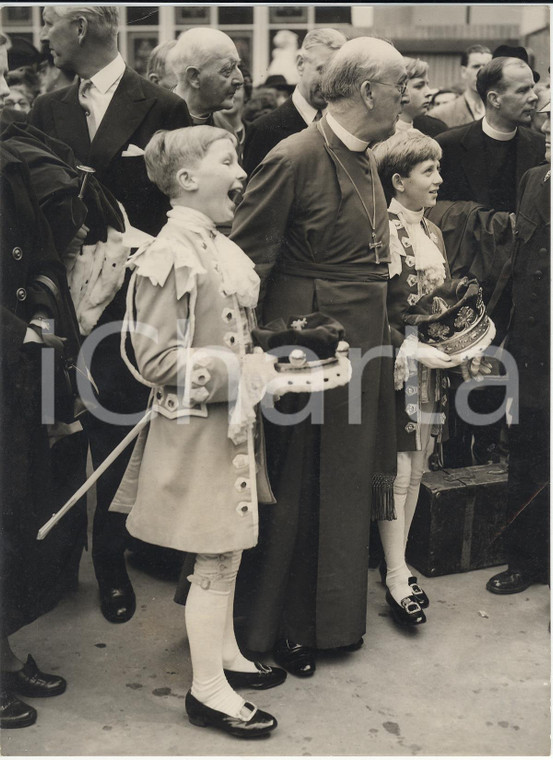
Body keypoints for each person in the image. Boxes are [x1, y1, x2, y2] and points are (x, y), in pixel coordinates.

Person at [231, 37, 405, 676]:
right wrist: (266, 353)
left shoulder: (364, 155)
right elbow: (246, 262)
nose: (405, 95)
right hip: (308, 347)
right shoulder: (295, 154)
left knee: (342, 488)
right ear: (365, 91)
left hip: (361, 342)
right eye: (398, 84)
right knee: (299, 491)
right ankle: (276, 629)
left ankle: (328, 623)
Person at [110, 126, 283, 737]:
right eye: (230, 161)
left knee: (229, 544)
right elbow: (154, 364)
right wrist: (246, 372)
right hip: (196, 430)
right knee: (213, 550)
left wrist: (273, 353)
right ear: (187, 180)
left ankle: (227, 655)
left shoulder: (213, 245)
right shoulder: (168, 255)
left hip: (227, 427)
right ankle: (206, 691)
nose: (243, 171)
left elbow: (227, 330)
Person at [30, 5, 192, 624]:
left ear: (78, 30)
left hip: (132, 302)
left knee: (119, 430)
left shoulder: (161, 105)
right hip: (62, 301)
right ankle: (58, 561)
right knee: (59, 424)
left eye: (50, 27)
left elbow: (172, 199)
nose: (44, 41)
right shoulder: (47, 109)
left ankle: (112, 564)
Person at [0, 33, 82, 729]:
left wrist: (45, 304)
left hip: (19, 369)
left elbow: (41, 252)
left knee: (16, 508)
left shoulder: (8, 157)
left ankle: (1, 647)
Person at [435, 56, 544, 467]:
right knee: (468, 387)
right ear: (493, 98)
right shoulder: (450, 145)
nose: (534, 97)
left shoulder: (538, 147)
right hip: (468, 291)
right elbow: (438, 212)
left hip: (524, 290)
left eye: (533, 87)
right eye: (522, 90)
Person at [373, 130, 457, 625]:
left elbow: (439, 301)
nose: (439, 179)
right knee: (399, 471)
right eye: (429, 171)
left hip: (430, 367)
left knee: (420, 464)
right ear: (398, 180)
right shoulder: (384, 229)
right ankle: (396, 572)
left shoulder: (433, 230)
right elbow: (371, 307)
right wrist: (410, 345)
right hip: (395, 361)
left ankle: (396, 566)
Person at [486, 101, 550, 595]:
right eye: (546, 116)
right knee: (526, 454)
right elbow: (518, 265)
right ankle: (526, 562)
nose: (545, 127)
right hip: (530, 350)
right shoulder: (534, 180)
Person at [243, 28, 346, 175]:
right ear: (300, 64)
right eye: (322, 70)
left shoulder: (345, 126)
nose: (330, 82)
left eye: (337, 73)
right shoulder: (263, 130)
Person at [169, 28, 243, 126]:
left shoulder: (226, 130)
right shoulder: (152, 122)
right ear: (194, 77)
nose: (240, 80)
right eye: (227, 70)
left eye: (237, 66)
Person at [429, 44, 492, 127]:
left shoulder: (500, 112)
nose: (482, 72)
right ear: (463, 71)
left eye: (487, 67)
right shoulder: (440, 114)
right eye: (476, 66)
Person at [396, 57, 448, 138]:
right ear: (399, 88)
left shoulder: (436, 129)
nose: (428, 92)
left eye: (427, 84)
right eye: (419, 86)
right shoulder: (376, 132)